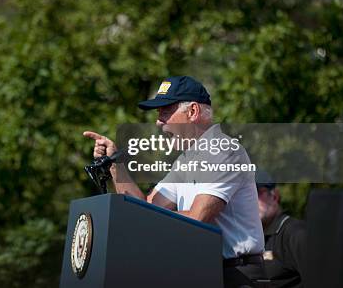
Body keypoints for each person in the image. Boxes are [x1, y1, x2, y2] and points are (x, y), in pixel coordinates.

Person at [84, 75, 266, 288]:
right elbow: (146, 208)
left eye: (165, 111)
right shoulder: (187, 159)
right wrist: (114, 165)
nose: (158, 121)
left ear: (193, 112)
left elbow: (196, 221)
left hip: (237, 276)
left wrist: (147, 218)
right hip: (207, 272)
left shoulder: (224, 151)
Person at [256, 172, 307, 287]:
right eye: (246, 195)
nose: (251, 200)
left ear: (275, 196)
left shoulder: (295, 233)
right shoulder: (250, 238)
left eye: (257, 192)